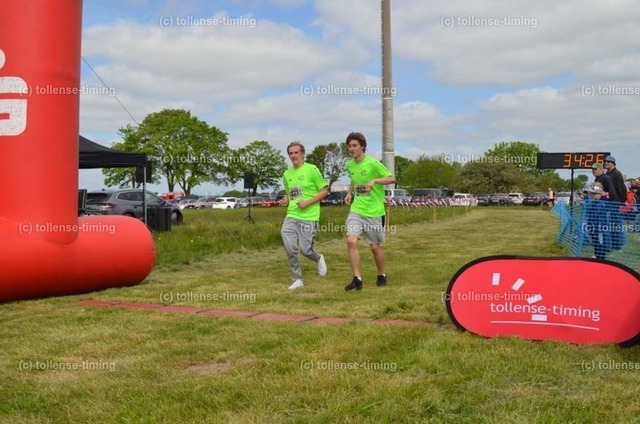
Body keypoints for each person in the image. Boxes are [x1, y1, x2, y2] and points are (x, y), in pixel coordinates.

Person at [343, 132, 396, 291]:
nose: (351, 149)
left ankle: (381, 274)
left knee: (374, 247)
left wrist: (374, 180)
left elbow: (391, 178)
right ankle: (357, 279)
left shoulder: (373, 163)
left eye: (354, 146)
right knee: (351, 241)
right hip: (357, 209)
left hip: (374, 211)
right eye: (349, 146)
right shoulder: (349, 165)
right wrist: (349, 192)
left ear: (363, 147)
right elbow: (354, 179)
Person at [279, 141, 328, 290]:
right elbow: (289, 193)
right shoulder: (287, 174)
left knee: (305, 250)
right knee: (289, 247)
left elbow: (324, 191)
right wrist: (285, 200)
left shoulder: (311, 169)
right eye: (291, 153)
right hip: (292, 214)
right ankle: (297, 279)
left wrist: (307, 202)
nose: (293, 155)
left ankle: (318, 258)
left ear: (302, 154)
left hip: (309, 216)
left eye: (296, 152)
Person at [603, 155, 628, 250]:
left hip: (615, 203)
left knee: (616, 225)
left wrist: (621, 202)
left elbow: (622, 188)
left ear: (613, 163)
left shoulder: (616, 173)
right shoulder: (607, 174)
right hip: (610, 202)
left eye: (608, 161)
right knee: (611, 224)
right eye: (605, 161)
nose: (606, 163)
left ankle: (618, 245)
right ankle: (614, 244)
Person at [582, 183, 611, 260]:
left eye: (594, 194)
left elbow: (597, 216)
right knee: (595, 241)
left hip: (599, 227)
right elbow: (592, 215)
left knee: (599, 241)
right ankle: (597, 254)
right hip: (594, 227)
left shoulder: (600, 204)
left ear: (600, 194)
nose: (592, 196)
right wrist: (588, 222)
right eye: (591, 194)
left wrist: (589, 222)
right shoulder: (594, 203)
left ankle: (599, 255)